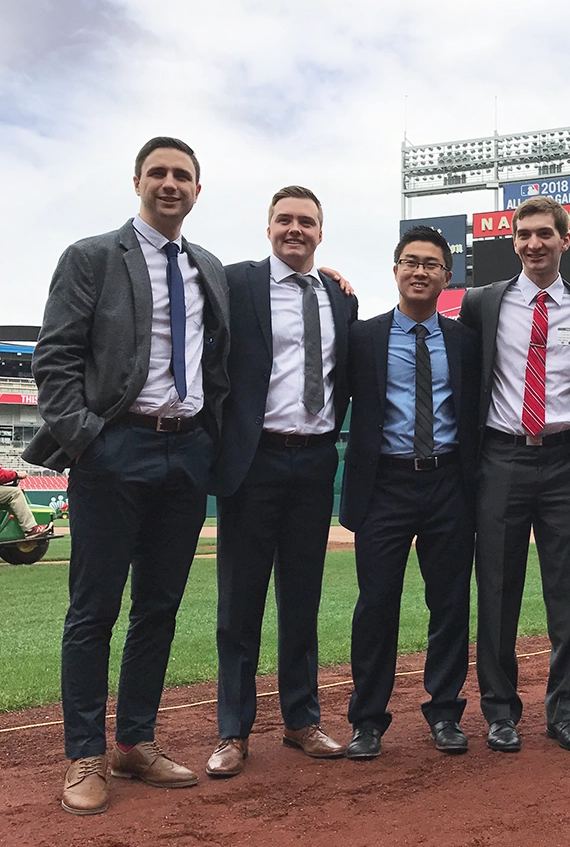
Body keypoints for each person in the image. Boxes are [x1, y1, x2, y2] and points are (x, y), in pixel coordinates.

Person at [25, 137, 230, 815]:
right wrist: (90, 442)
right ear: (138, 181)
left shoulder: (208, 267)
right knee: (93, 611)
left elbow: (221, 360)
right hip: (115, 451)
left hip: (184, 454)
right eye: (160, 173)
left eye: (183, 176)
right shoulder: (91, 257)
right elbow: (54, 362)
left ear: (198, 190)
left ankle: (134, 742)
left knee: (159, 609)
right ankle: (84, 754)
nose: (171, 184)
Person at [204, 186, 358, 778]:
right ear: (268, 227)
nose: (295, 229)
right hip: (255, 460)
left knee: (303, 599)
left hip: (316, 462)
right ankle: (232, 731)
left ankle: (301, 720)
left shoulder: (339, 298)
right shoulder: (236, 282)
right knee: (239, 604)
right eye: (284, 220)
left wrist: (339, 282)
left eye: (307, 222)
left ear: (322, 231)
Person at [457, 196, 570, 754]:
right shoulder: (480, 303)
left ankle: (565, 711)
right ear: (513, 241)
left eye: (545, 233)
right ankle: (500, 712)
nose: (533, 243)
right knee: (496, 592)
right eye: (524, 234)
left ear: (566, 240)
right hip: (502, 457)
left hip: (567, 458)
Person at [338, 226, 480, 760]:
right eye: (410, 262)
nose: (420, 271)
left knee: (449, 603)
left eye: (431, 264)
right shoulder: (364, 338)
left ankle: (445, 713)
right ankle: (367, 720)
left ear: (448, 275)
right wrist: (331, 283)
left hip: (448, 483)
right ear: (395, 270)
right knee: (376, 605)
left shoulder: (466, 339)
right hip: (385, 486)